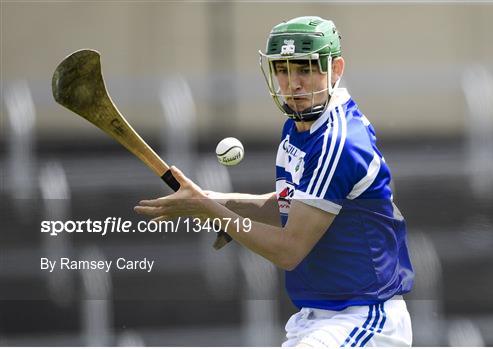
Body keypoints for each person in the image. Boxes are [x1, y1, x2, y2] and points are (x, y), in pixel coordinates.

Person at [135, 16, 414, 347]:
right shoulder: (299, 127)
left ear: (335, 69)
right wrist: (216, 200)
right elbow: (290, 207)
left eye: (305, 69)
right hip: (318, 318)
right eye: (283, 70)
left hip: (364, 319)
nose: (293, 83)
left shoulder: (337, 142)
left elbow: (289, 249)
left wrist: (210, 210)